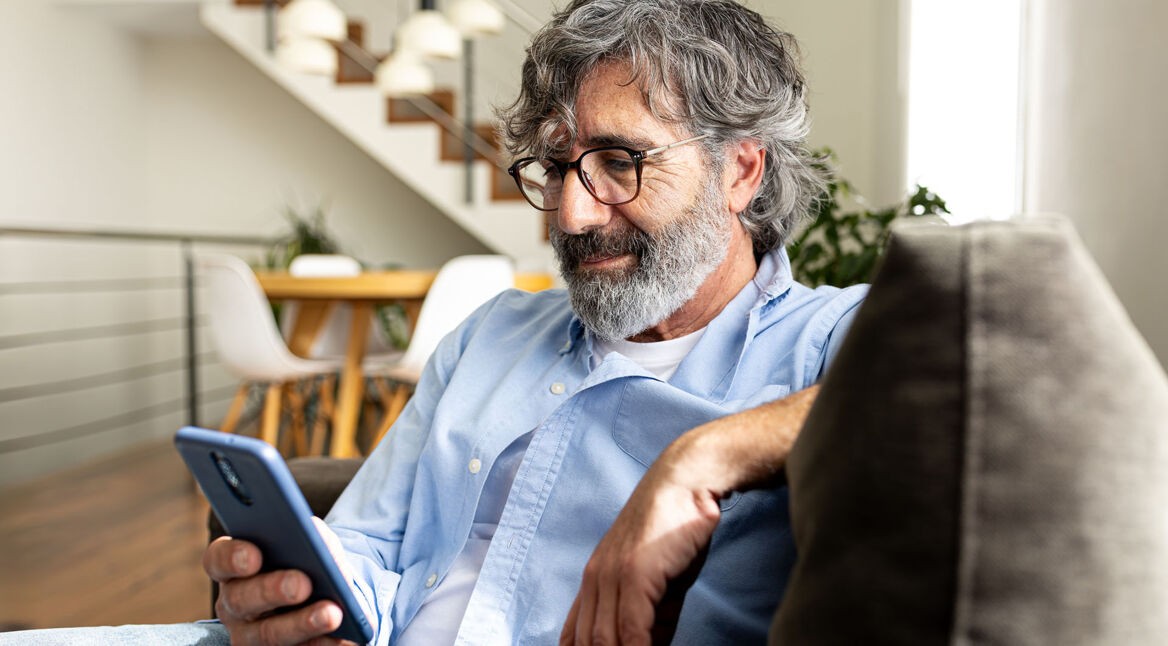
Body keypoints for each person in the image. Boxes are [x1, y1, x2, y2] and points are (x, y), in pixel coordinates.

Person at [1, 1, 865, 644]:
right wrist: (304, 607)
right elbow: (371, 546)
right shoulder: (494, 334)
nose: (569, 213)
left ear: (741, 171)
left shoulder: (828, 343)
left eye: (617, 162)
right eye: (556, 166)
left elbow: (973, 388)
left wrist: (704, 454)